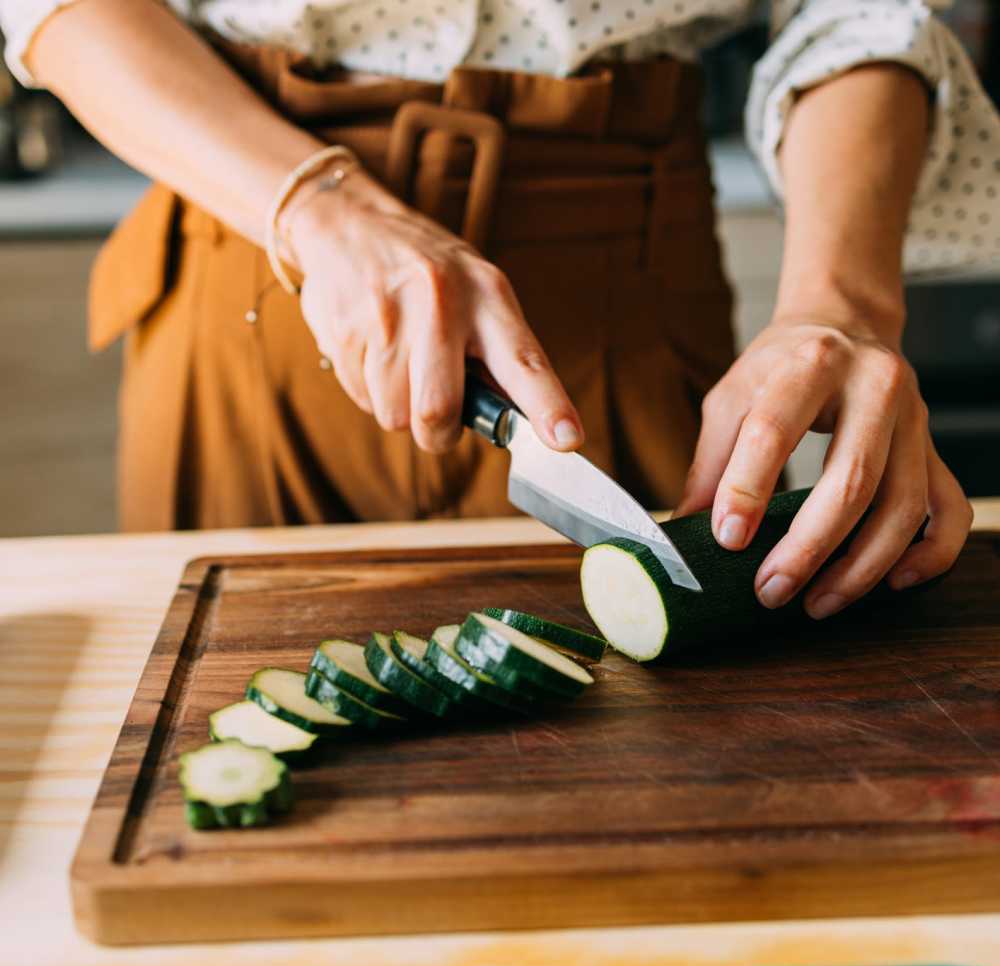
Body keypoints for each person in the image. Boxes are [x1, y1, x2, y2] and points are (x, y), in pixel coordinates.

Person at [2, 0, 995, 621]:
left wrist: (845, 302)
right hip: (251, 249)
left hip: (629, 300)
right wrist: (313, 203)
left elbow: (863, 13)